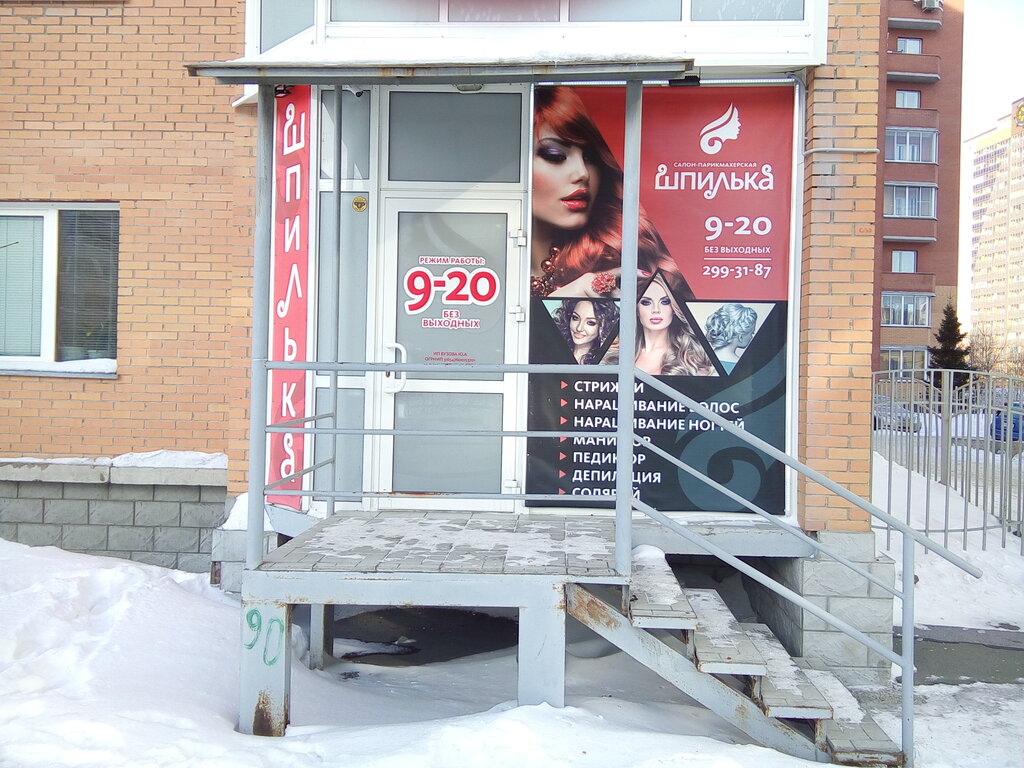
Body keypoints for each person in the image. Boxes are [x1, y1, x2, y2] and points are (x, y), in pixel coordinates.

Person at [530, 86, 688, 300]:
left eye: (591, 158)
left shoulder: (621, 259)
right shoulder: (491, 258)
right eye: (555, 154)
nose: (582, 173)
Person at [608, 273, 715, 376]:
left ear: (673, 308)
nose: (656, 310)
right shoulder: (617, 355)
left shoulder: (691, 359)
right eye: (646, 302)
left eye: (665, 302)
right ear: (636, 309)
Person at [552, 298, 619, 365]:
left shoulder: (610, 361)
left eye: (590, 323)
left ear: (604, 326)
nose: (579, 328)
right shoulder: (553, 349)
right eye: (575, 318)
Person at [704, 303, 757, 372]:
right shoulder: (743, 367)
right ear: (740, 337)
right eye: (752, 333)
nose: (751, 337)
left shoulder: (700, 361)